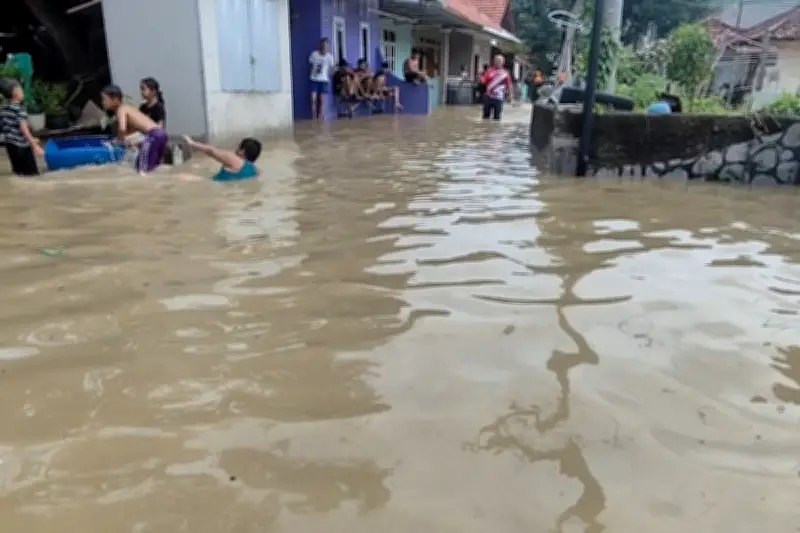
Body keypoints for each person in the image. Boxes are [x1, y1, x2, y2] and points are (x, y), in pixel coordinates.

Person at [101, 84, 168, 174]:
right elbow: (135, 132)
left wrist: (118, 142)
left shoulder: (121, 109)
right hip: (161, 135)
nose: (103, 102)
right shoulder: (129, 109)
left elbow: (122, 128)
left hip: (153, 135)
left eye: (105, 99)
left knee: (142, 170)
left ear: (115, 100)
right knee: (153, 169)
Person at [0, 79, 43, 176]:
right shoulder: (20, 109)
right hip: (22, 146)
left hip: (10, 146)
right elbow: (23, 128)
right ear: (16, 92)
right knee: (33, 175)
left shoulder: (4, 108)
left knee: (18, 173)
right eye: (21, 90)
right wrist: (34, 144)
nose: (23, 93)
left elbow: (5, 127)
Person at [182, 135, 261, 182]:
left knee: (179, 177)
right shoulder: (255, 170)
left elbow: (211, 150)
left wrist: (192, 143)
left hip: (212, 184)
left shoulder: (234, 159)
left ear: (242, 152)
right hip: (229, 189)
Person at [309, 38, 335, 120]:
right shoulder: (314, 54)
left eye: (326, 45)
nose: (324, 47)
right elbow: (310, 65)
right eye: (323, 45)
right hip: (314, 79)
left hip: (324, 80)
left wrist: (330, 74)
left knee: (322, 100)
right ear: (320, 45)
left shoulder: (330, 57)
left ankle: (320, 116)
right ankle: (313, 117)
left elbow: (332, 69)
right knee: (313, 99)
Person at [480, 54, 512, 121]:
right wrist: (480, 77)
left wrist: (510, 96)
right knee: (485, 117)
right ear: (494, 61)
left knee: (497, 118)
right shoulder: (489, 71)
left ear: (503, 62)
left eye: (500, 61)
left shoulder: (505, 73)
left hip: (499, 98)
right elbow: (483, 81)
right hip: (488, 97)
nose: (498, 62)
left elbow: (509, 85)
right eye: (497, 60)